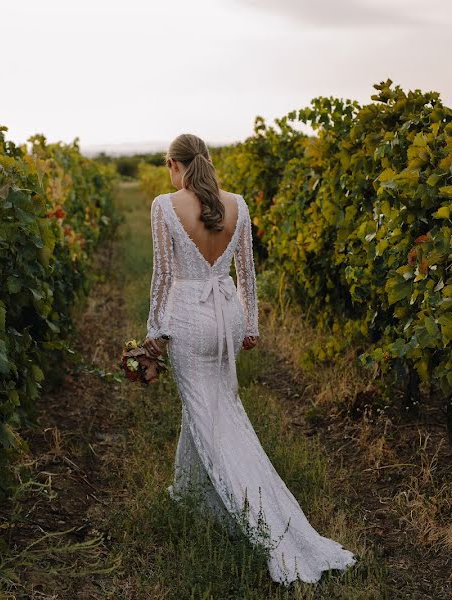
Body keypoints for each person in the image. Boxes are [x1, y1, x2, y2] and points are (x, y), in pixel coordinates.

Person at [141, 133, 356, 585]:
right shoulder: (236, 202)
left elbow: (162, 278)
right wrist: (251, 325)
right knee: (210, 407)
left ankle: (272, 532)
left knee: (213, 420)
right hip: (228, 315)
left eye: (168, 165)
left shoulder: (165, 206)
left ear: (175, 165)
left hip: (190, 319)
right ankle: (190, 494)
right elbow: (248, 273)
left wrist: (152, 338)